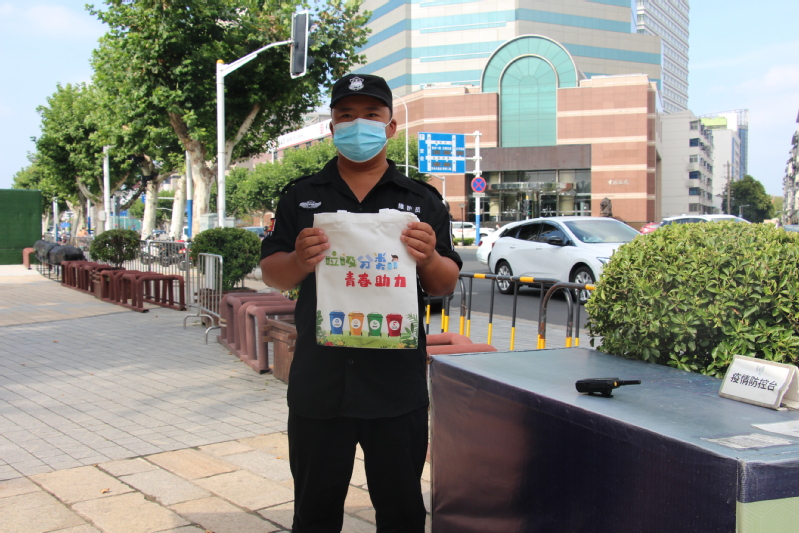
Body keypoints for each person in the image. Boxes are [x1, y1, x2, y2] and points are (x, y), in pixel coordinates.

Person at [260, 73, 462, 532]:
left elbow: (444, 282)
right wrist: (299, 259)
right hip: (320, 383)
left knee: (402, 512)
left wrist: (429, 256)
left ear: (391, 126)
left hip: (396, 386)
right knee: (314, 513)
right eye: (346, 116)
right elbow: (273, 271)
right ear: (332, 128)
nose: (358, 125)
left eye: (371, 114)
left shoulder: (421, 200)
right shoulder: (302, 196)